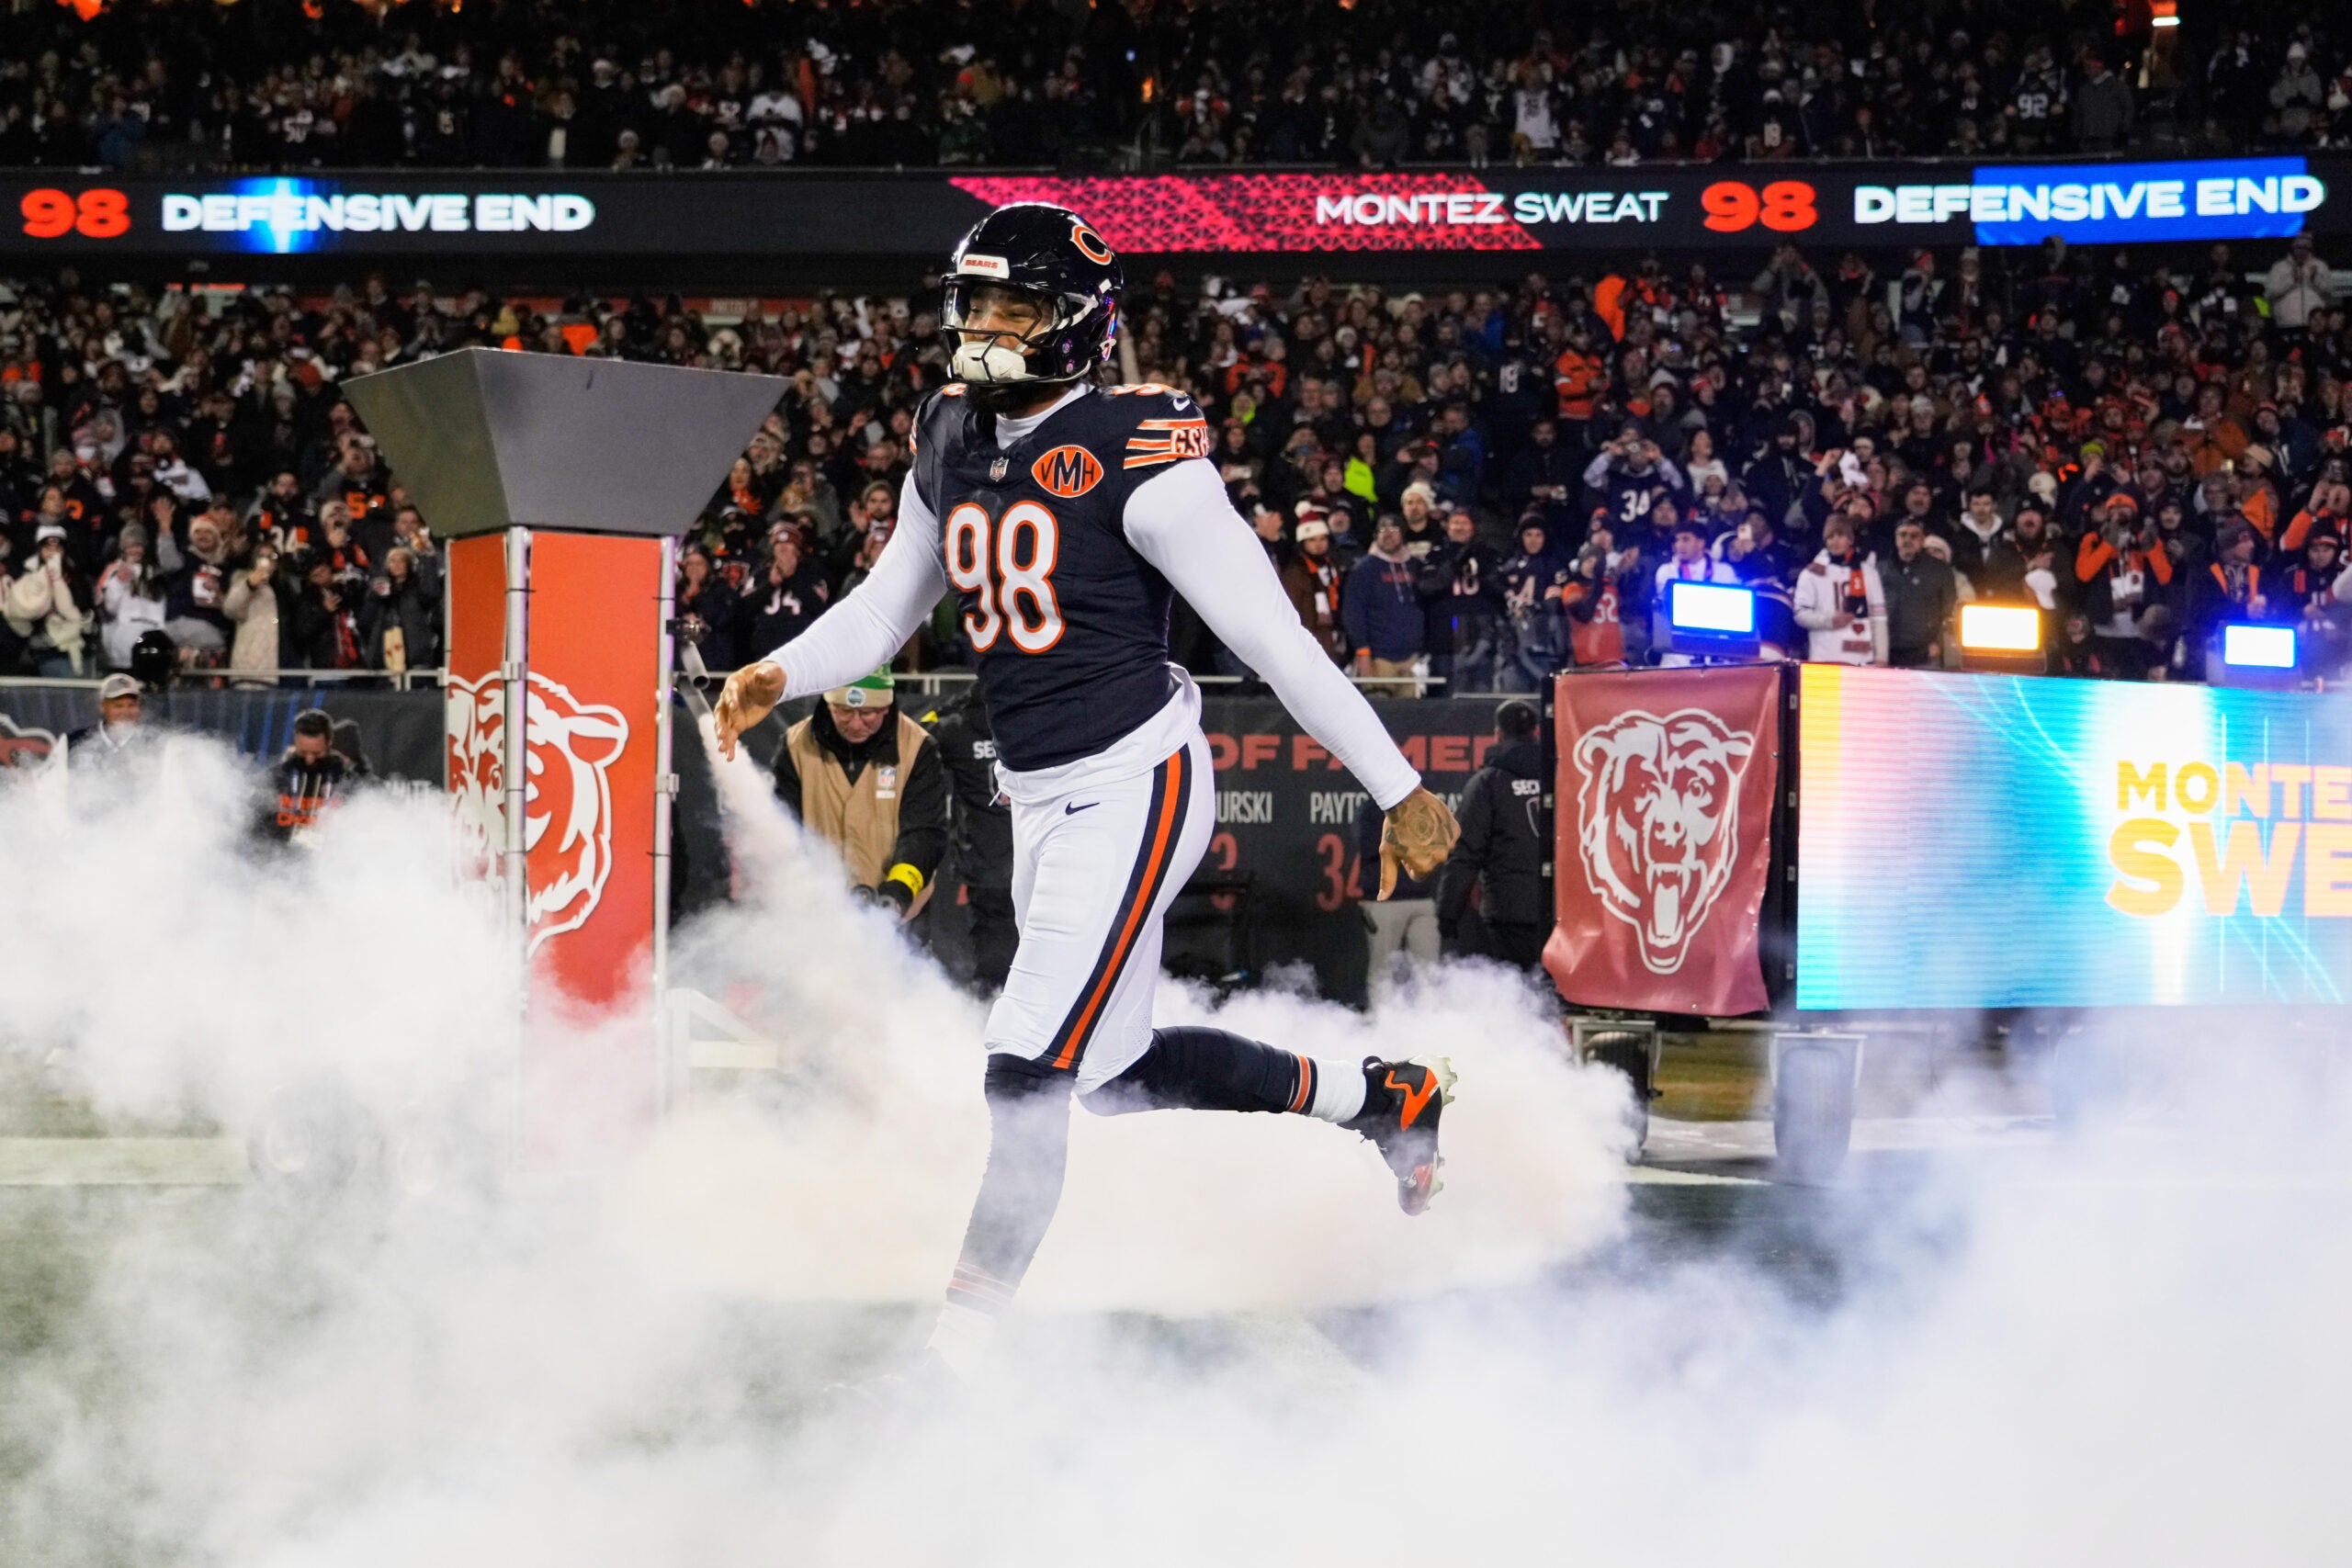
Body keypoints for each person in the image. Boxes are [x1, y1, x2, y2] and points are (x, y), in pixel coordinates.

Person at [711, 204, 1462, 1387]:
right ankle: (1381, 1098)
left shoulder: (1142, 448)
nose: (985, 326)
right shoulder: (948, 430)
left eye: (1013, 306)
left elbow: (1274, 640)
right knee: (1103, 1078)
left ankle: (956, 1361)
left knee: (1022, 1070)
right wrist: (779, 671)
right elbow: (886, 605)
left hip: (1136, 778)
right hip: (1040, 789)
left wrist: (1397, 783)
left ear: (1075, 323)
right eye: (976, 303)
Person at [772, 669, 948, 919]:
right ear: (828, 704)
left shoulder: (918, 748)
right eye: (844, 711)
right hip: (817, 913)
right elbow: (784, 828)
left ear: (886, 707)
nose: (855, 724)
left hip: (897, 912)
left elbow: (924, 832)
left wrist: (899, 891)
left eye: (867, 713)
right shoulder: (795, 745)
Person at [1435, 700, 1549, 970]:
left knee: (1515, 997)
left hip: (1508, 912)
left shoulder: (1489, 782)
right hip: (1559, 912)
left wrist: (1448, 911)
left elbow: (1465, 853)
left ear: (1497, 734)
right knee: (1555, 997)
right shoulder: (1561, 775)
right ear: (1536, 732)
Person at [922, 681, 1019, 991]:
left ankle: (990, 1016)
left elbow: (920, 733)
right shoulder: (1034, 725)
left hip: (985, 863)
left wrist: (955, 705)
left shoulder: (955, 730)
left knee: (993, 957)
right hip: (1040, 861)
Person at [1340, 515, 1425, 694]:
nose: (1388, 534)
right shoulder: (1363, 569)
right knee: (1380, 715)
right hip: (1379, 659)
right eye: (1382, 530)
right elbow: (1353, 613)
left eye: (1394, 530)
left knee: (1413, 718)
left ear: (1403, 534)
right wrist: (1362, 652)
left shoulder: (1416, 567)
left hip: (1412, 659)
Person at [1793, 515, 1888, 664]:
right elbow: (1800, 614)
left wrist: (1882, 657)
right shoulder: (1812, 573)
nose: (1835, 541)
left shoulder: (1868, 572)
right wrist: (1829, 621)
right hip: (1824, 657)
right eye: (1830, 536)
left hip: (1862, 660)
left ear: (1850, 540)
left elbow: (1878, 617)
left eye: (1841, 535)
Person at [260, 707, 356, 843]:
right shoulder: (276, 777)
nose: (309, 759)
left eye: (317, 753)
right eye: (303, 752)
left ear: (329, 743)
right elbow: (256, 831)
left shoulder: (345, 781)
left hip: (330, 860)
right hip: (278, 858)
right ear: (295, 742)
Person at [1880, 517, 1959, 668]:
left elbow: (1948, 610)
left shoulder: (1939, 570)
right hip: (1884, 652)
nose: (1907, 539)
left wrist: (1938, 643)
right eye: (1902, 535)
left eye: (1914, 536)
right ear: (1896, 538)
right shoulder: (1880, 568)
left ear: (1922, 540)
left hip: (1924, 653)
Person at [1280, 517, 1348, 665]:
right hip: (1307, 641)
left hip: (1332, 640)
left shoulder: (1334, 568)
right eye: (1312, 540)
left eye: (1323, 539)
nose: (1318, 545)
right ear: (1303, 543)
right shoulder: (1295, 573)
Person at [65, 671, 144, 769]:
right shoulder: (76, 741)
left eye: (131, 705)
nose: (125, 712)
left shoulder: (154, 743)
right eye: (118, 706)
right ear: (103, 707)